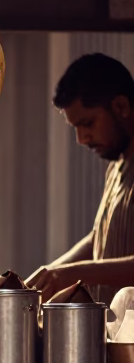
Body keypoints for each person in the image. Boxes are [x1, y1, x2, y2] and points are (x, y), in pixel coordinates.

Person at [28, 53, 134, 303]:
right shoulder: (117, 165)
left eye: (88, 123)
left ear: (121, 106)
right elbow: (100, 237)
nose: (81, 139)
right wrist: (47, 277)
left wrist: (74, 274)